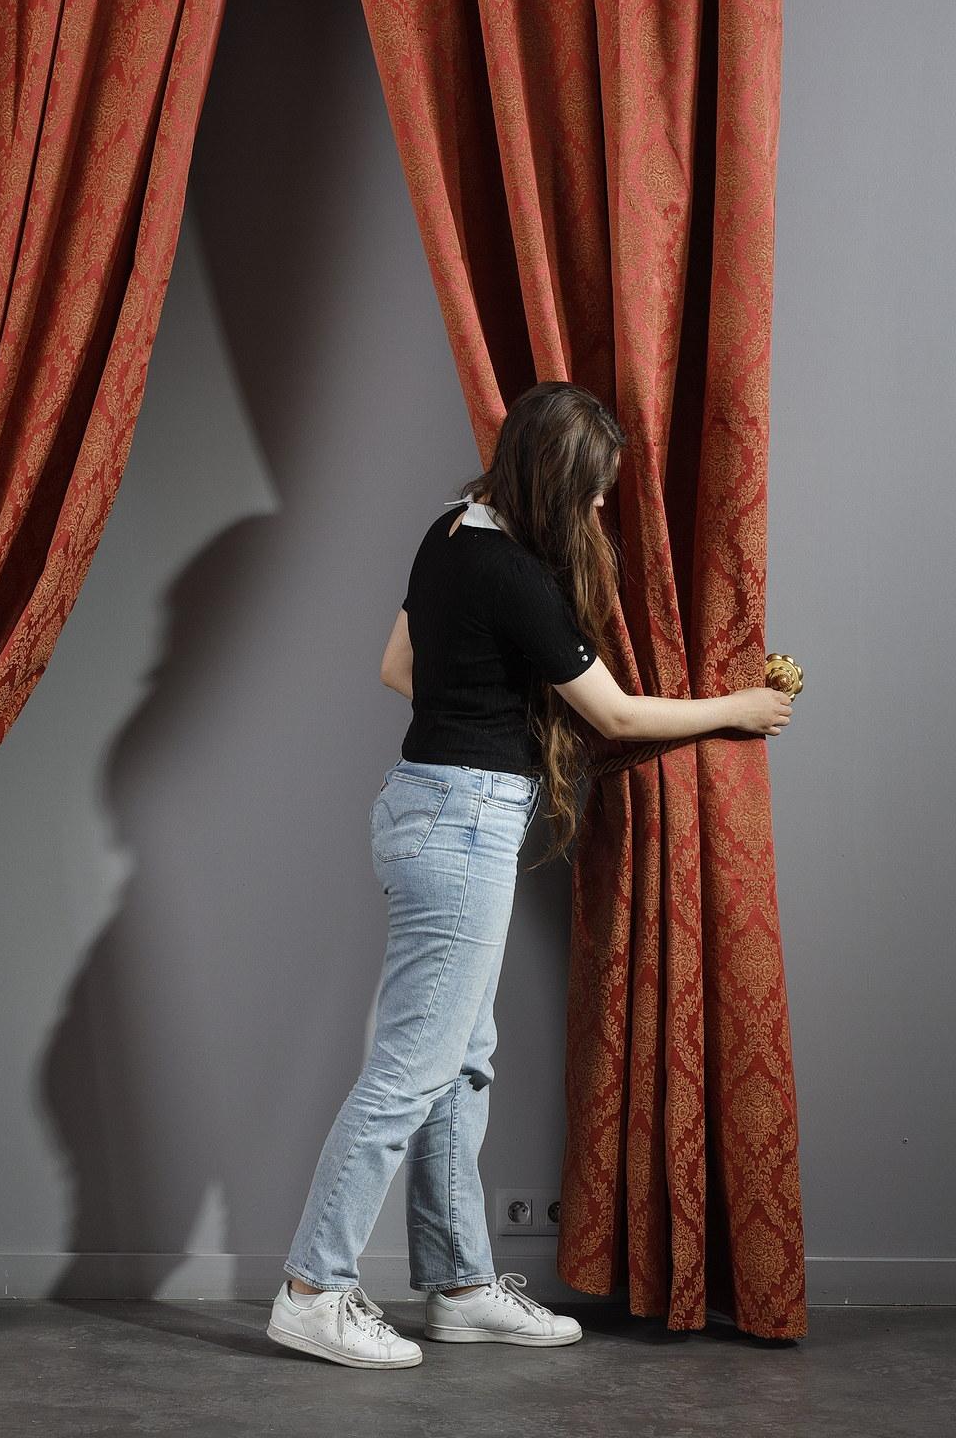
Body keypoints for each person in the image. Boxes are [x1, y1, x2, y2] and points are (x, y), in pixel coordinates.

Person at [266, 380, 795, 1369]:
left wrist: (483, 691)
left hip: (420, 806)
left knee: (459, 1064)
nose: (599, 514)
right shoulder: (517, 578)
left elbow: (398, 667)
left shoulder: (449, 533)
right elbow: (622, 718)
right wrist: (736, 708)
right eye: (594, 497)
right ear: (558, 486)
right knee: (410, 1073)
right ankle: (312, 1288)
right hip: (462, 823)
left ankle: (461, 1286)